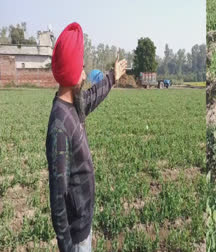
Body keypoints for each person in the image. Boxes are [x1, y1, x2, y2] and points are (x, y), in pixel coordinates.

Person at [45, 22, 127, 252]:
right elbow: (58, 198)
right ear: (71, 72)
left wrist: (112, 77)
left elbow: (91, 97)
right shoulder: (60, 126)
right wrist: (67, 247)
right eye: (81, 68)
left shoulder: (73, 106)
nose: (84, 74)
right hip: (75, 236)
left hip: (83, 222)